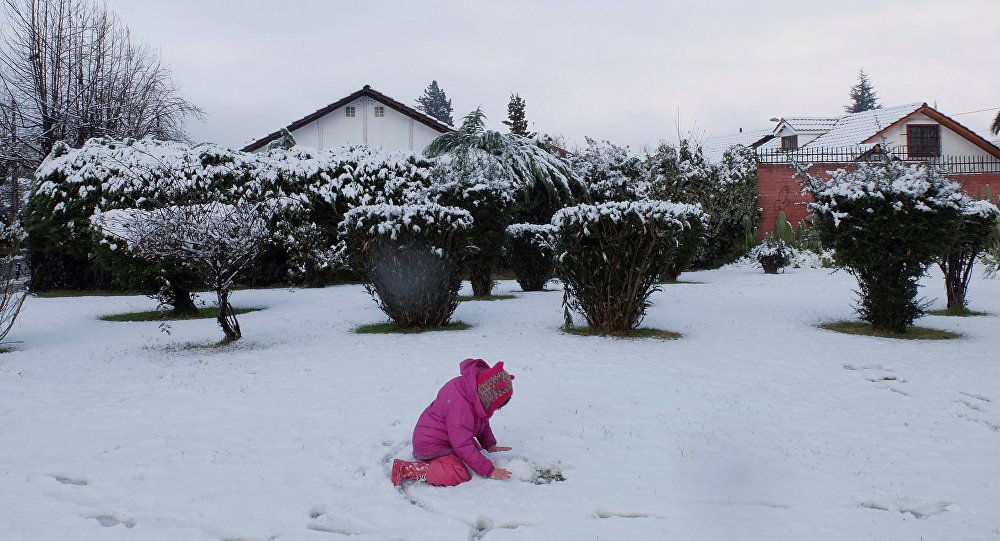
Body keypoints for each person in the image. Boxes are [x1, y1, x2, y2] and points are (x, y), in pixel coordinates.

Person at [391, 359, 514, 487]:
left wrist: (488, 443)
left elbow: (481, 419)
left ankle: (451, 459)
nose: (496, 410)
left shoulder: (474, 390)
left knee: (474, 453)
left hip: (449, 437)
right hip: (432, 444)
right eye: (496, 407)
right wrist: (490, 471)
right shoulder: (461, 405)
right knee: (458, 473)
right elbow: (461, 443)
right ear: (488, 397)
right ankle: (407, 469)